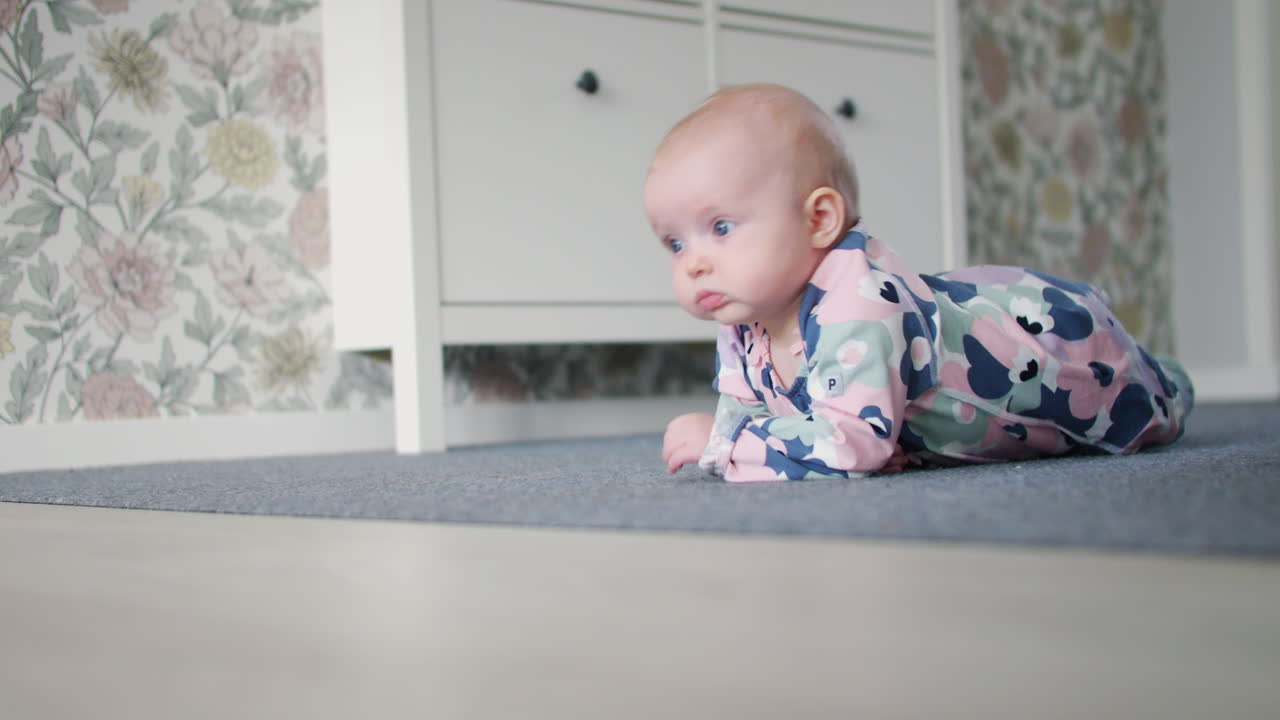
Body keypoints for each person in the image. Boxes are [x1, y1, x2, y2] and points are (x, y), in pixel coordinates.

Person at [643, 83, 1194, 482]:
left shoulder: (859, 305)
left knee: (1145, 409)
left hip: (1052, 337)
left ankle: (1167, 377)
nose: (693, 263)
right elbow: (764, 413)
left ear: (818, 221)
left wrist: (725, 443)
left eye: (720, 227)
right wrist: (745, 431)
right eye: (675, 243)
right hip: (959, 381)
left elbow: (850, 447)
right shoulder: (744, 318)